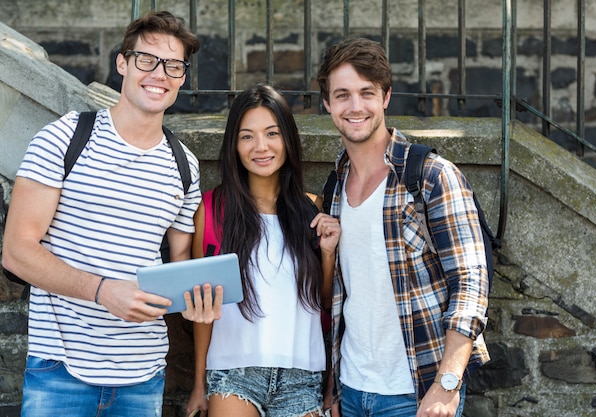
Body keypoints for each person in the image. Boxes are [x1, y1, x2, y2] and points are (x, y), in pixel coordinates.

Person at [1, 10, 221, 417]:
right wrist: (104, 292)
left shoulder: (184, 164)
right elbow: (16, 251)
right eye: (146, 60)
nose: (159, 73)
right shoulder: (65, 137)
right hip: (59, 374)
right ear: (122, 63)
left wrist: (196, 301)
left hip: (144, 377)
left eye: (173, 65)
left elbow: (180, 264)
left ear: (183, 77)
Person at [317, 37, 490, 417]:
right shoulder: (333, 188)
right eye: (342, 95)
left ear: (386, 97)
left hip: (416, 393)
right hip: (351, 391)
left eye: (367, 92)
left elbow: (470, 281)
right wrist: (332, 384)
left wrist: (447, 383)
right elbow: (344, 298)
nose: (356, 106)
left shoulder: (430, 176)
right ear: (327, 103)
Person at [185, 84, 341, 417]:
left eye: (272, 133)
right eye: (247, 136)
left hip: (302, 377)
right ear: (234, 145)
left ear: (287, 139)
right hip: (232, 373)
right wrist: (199, 384)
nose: (261, 147)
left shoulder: (313, 209)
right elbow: (204, 304)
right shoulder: (212, 210)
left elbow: (326, 302)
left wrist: (328, 254)